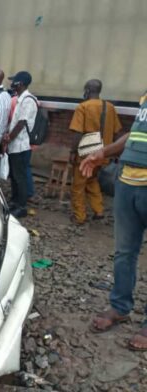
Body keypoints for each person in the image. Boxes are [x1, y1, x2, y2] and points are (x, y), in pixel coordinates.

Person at [83, 97, 147, 351]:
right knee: (124, 253)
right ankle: (120, 307)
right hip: (128, 183)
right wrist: (103, 152)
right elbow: (134, 135)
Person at [68, 79, 122, 225]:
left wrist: (73, 152)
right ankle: (99, 211)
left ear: (87, 90)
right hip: (103, 152)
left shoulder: (83, 107)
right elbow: (117, 132)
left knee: (78, 185)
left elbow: (78, 133)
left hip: (86, 152)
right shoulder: (109, 107)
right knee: (92, 180)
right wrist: (113, 151)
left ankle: (79, 216)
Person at [0, 71, 37, 218]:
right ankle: (15, 202)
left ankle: (21, 207)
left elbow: (22, 122)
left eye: (14, 81)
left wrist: (9, 137)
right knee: (15, 176)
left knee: (20, 177)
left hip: (21, 145)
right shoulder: (20, 98)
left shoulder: (28, 99)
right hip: (16, 145)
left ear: (20, 83)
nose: (11, 84)